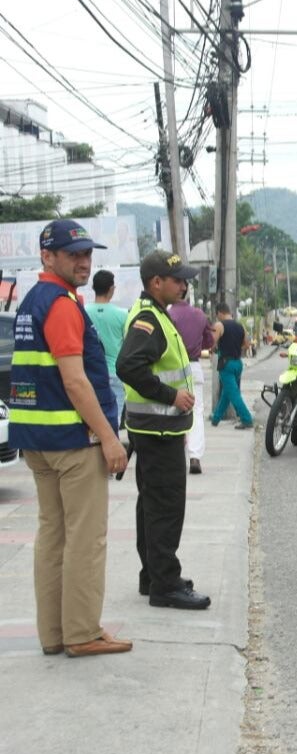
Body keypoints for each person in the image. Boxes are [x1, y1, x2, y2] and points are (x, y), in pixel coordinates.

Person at [9, 220, 131, 656]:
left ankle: (54, 635)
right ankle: (81, 633)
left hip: (38, 441)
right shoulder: (61, 304)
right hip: (73, 444)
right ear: (47, 256)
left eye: (86, 254)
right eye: (72, 254)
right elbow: (76, 381)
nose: (83, 261)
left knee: (53, 536)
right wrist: (110, 439)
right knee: (85, 538)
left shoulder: (31, 303)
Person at [116, 250, 212, 611]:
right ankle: (166, 585)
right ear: (156, 282)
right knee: (166, 507)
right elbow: (128, 366)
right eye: (178, 279)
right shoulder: (149, 320)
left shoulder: (155, 314)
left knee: (151, 506)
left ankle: (153, 575)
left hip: (155, 429)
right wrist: (172, 395)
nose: (184, 285)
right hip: (158, 431)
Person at [168, 284, 215, 474]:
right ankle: (195, 456)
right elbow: (209, 341)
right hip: (194, 367)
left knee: (172, 411)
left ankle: (174, 454)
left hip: (171, 367)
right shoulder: (200, 315)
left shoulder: (167, 314)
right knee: (196, 412)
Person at [85, 269, 128, 424]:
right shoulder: (123, 315)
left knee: (91, 420)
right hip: (115, 372)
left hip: (90, 374)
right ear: (111, 289)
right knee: (114, 420)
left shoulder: (83, 312)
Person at [210, 302, 254, 429]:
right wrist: (235, 347)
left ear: (219, 313)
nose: (217, 317)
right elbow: (247, 344)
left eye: (217, 315)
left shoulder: (219, 325)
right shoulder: (241, 326)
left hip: (226, 364)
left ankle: (247, 419)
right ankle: (216, 419)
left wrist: (214, 349)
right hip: (238, 363)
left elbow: (212, 342)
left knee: (233, 393)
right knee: (227, 393)